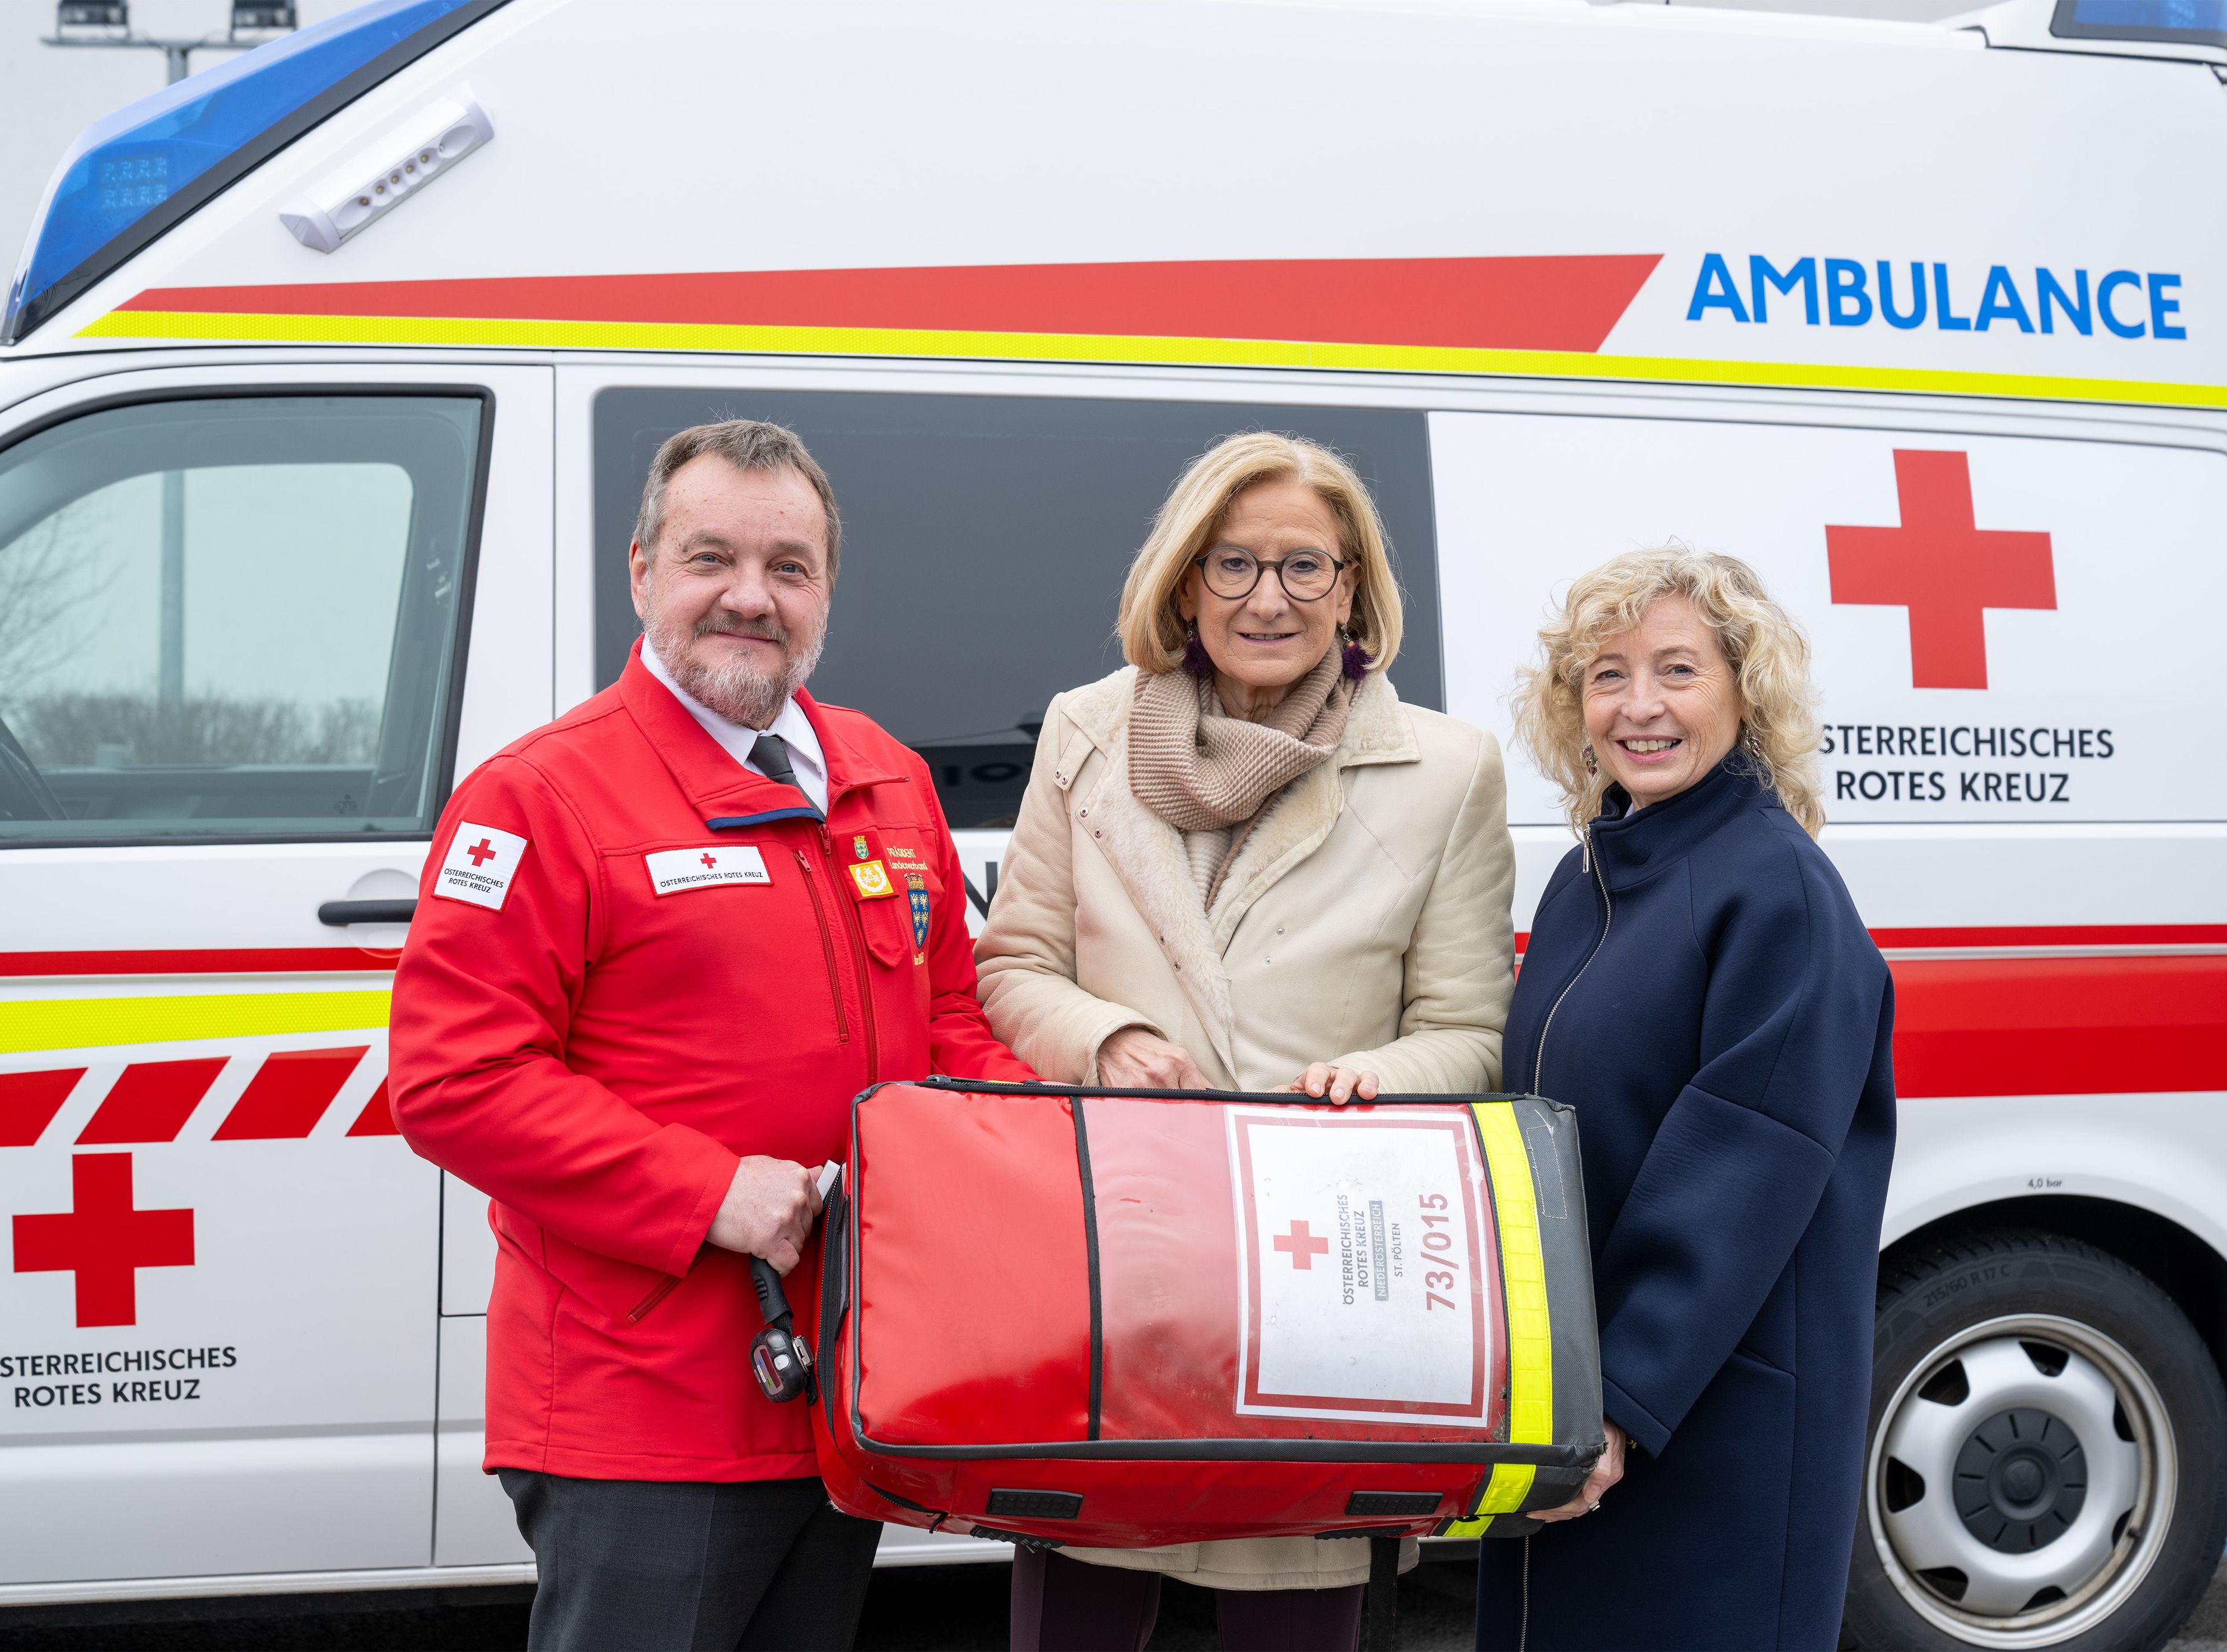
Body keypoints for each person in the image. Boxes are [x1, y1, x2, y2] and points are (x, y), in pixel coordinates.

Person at [390, 419, 1034, 1652]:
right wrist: (706, 1189)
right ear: (640, 573)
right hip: (645, 1403)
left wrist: (1065, 1146)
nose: (750, 596)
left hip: (850, 1382)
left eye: (788, 566)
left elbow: (952, 1017)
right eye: (709, 558)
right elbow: (453, 1078)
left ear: (826, 594)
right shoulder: (540, 796)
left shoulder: (884, 777)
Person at [975, 431, 1517, 1652]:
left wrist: (1374, 1077)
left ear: (1351, 586)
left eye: (1302, 567)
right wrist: (1100, 1032)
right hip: (1117, 1267)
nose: (1264, 598)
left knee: (1296, 1615)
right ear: (1180, 580)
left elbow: (1465, 1031)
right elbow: (1012, 964)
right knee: (1079, 1602)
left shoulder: (1444, 767)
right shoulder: (1083, 729)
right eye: (1230, 563)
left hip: (1315, 1274)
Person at [1476, 547, 1896, 1650]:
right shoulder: (1594, 872)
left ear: (1745, 691)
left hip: (1705, 1414)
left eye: (1677, 670)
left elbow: (1743, 1161)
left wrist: (1611, 1401)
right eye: (1607, 675)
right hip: (1579, 1396)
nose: (1639, 706)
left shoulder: (1779, 889)